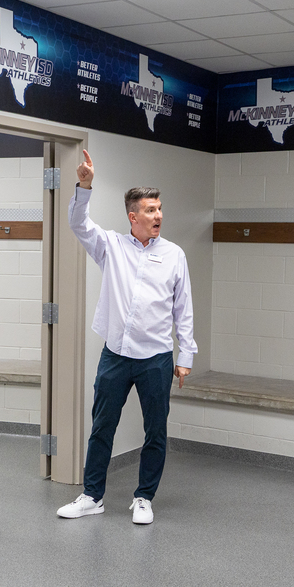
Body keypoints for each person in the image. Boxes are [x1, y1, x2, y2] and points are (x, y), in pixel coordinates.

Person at [56, 150, 196, 525]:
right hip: (116, 354)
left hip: (157, 358)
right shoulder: (110, 246)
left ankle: (144, 497)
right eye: (151, 210)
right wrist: (83, 186)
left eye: (160, 208)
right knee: (102, 426)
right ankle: (92, 496)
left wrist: (186, 357)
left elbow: (184, 308)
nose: (159, 216)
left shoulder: (174, 255)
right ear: (133, 217)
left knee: (156, 431)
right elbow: (77, 222)